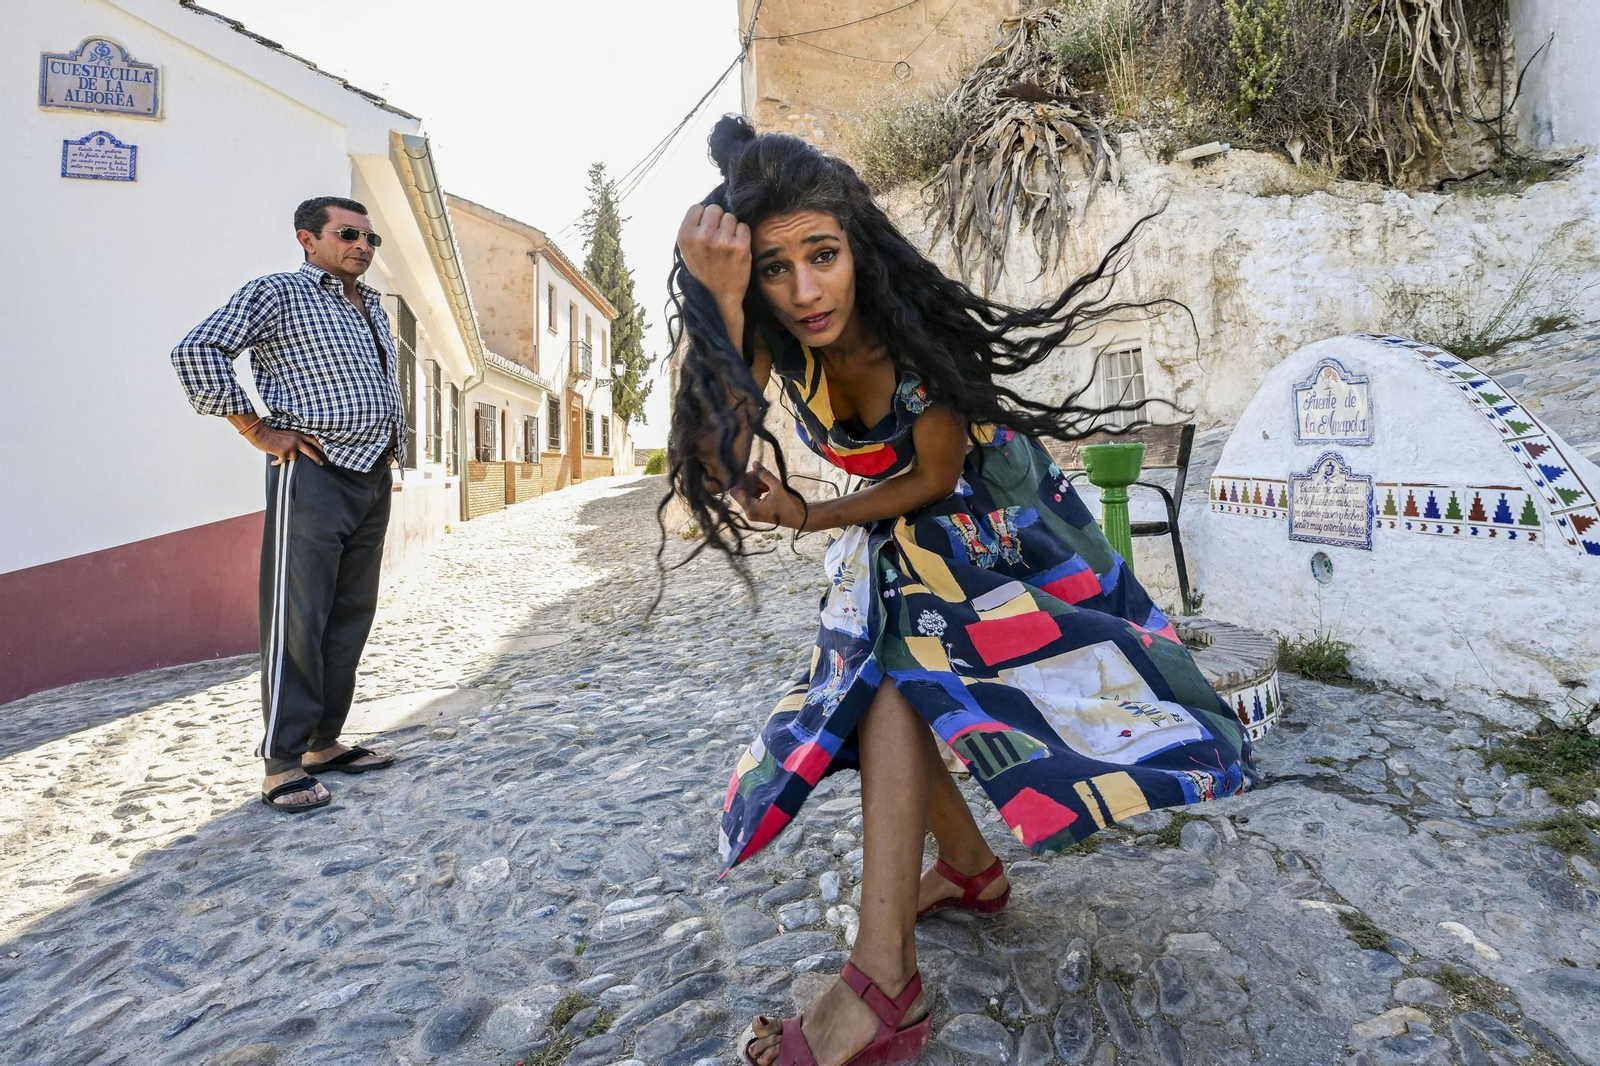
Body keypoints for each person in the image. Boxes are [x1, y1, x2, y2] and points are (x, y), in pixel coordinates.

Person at [666, 116, 1258, 1066]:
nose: (805, 289)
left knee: (900, 682)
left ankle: (883, 978)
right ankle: (968, 877)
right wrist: (719, 302)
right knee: (886, 689)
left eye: (822, 255)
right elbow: (714, 452)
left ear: (857, 244)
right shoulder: (773, 325)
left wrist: (815, 515)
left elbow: (938, 482)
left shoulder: (914, 340)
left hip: (1002, 528)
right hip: (900, 537)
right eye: (775, 268)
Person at [171, 196, 402, 814]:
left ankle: (323, 745)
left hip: (372, 474)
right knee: (298, 619)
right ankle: (280, 763)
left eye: (369, 238)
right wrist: (256, 429)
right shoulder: (278, 293)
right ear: (307, 238)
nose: (362, 245)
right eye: (348, 234)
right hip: (313, 475)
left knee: (349, 614)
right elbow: (197, 350)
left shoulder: (372, 307)